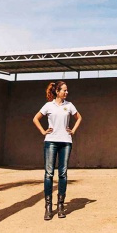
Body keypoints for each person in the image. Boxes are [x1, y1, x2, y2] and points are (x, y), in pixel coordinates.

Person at [32, 80, 83, 220]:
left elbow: (79, 118)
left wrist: (73, 130)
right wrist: (43, 131)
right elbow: (35, 118)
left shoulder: (69, 105)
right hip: (51, 142)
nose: (66, 92)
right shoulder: (49, 105)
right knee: (49, 174)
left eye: (67, 90)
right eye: (64, 90)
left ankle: (60, 206)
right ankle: (48, 207)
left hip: (66, 142)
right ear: (57, 91)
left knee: (63, 174)